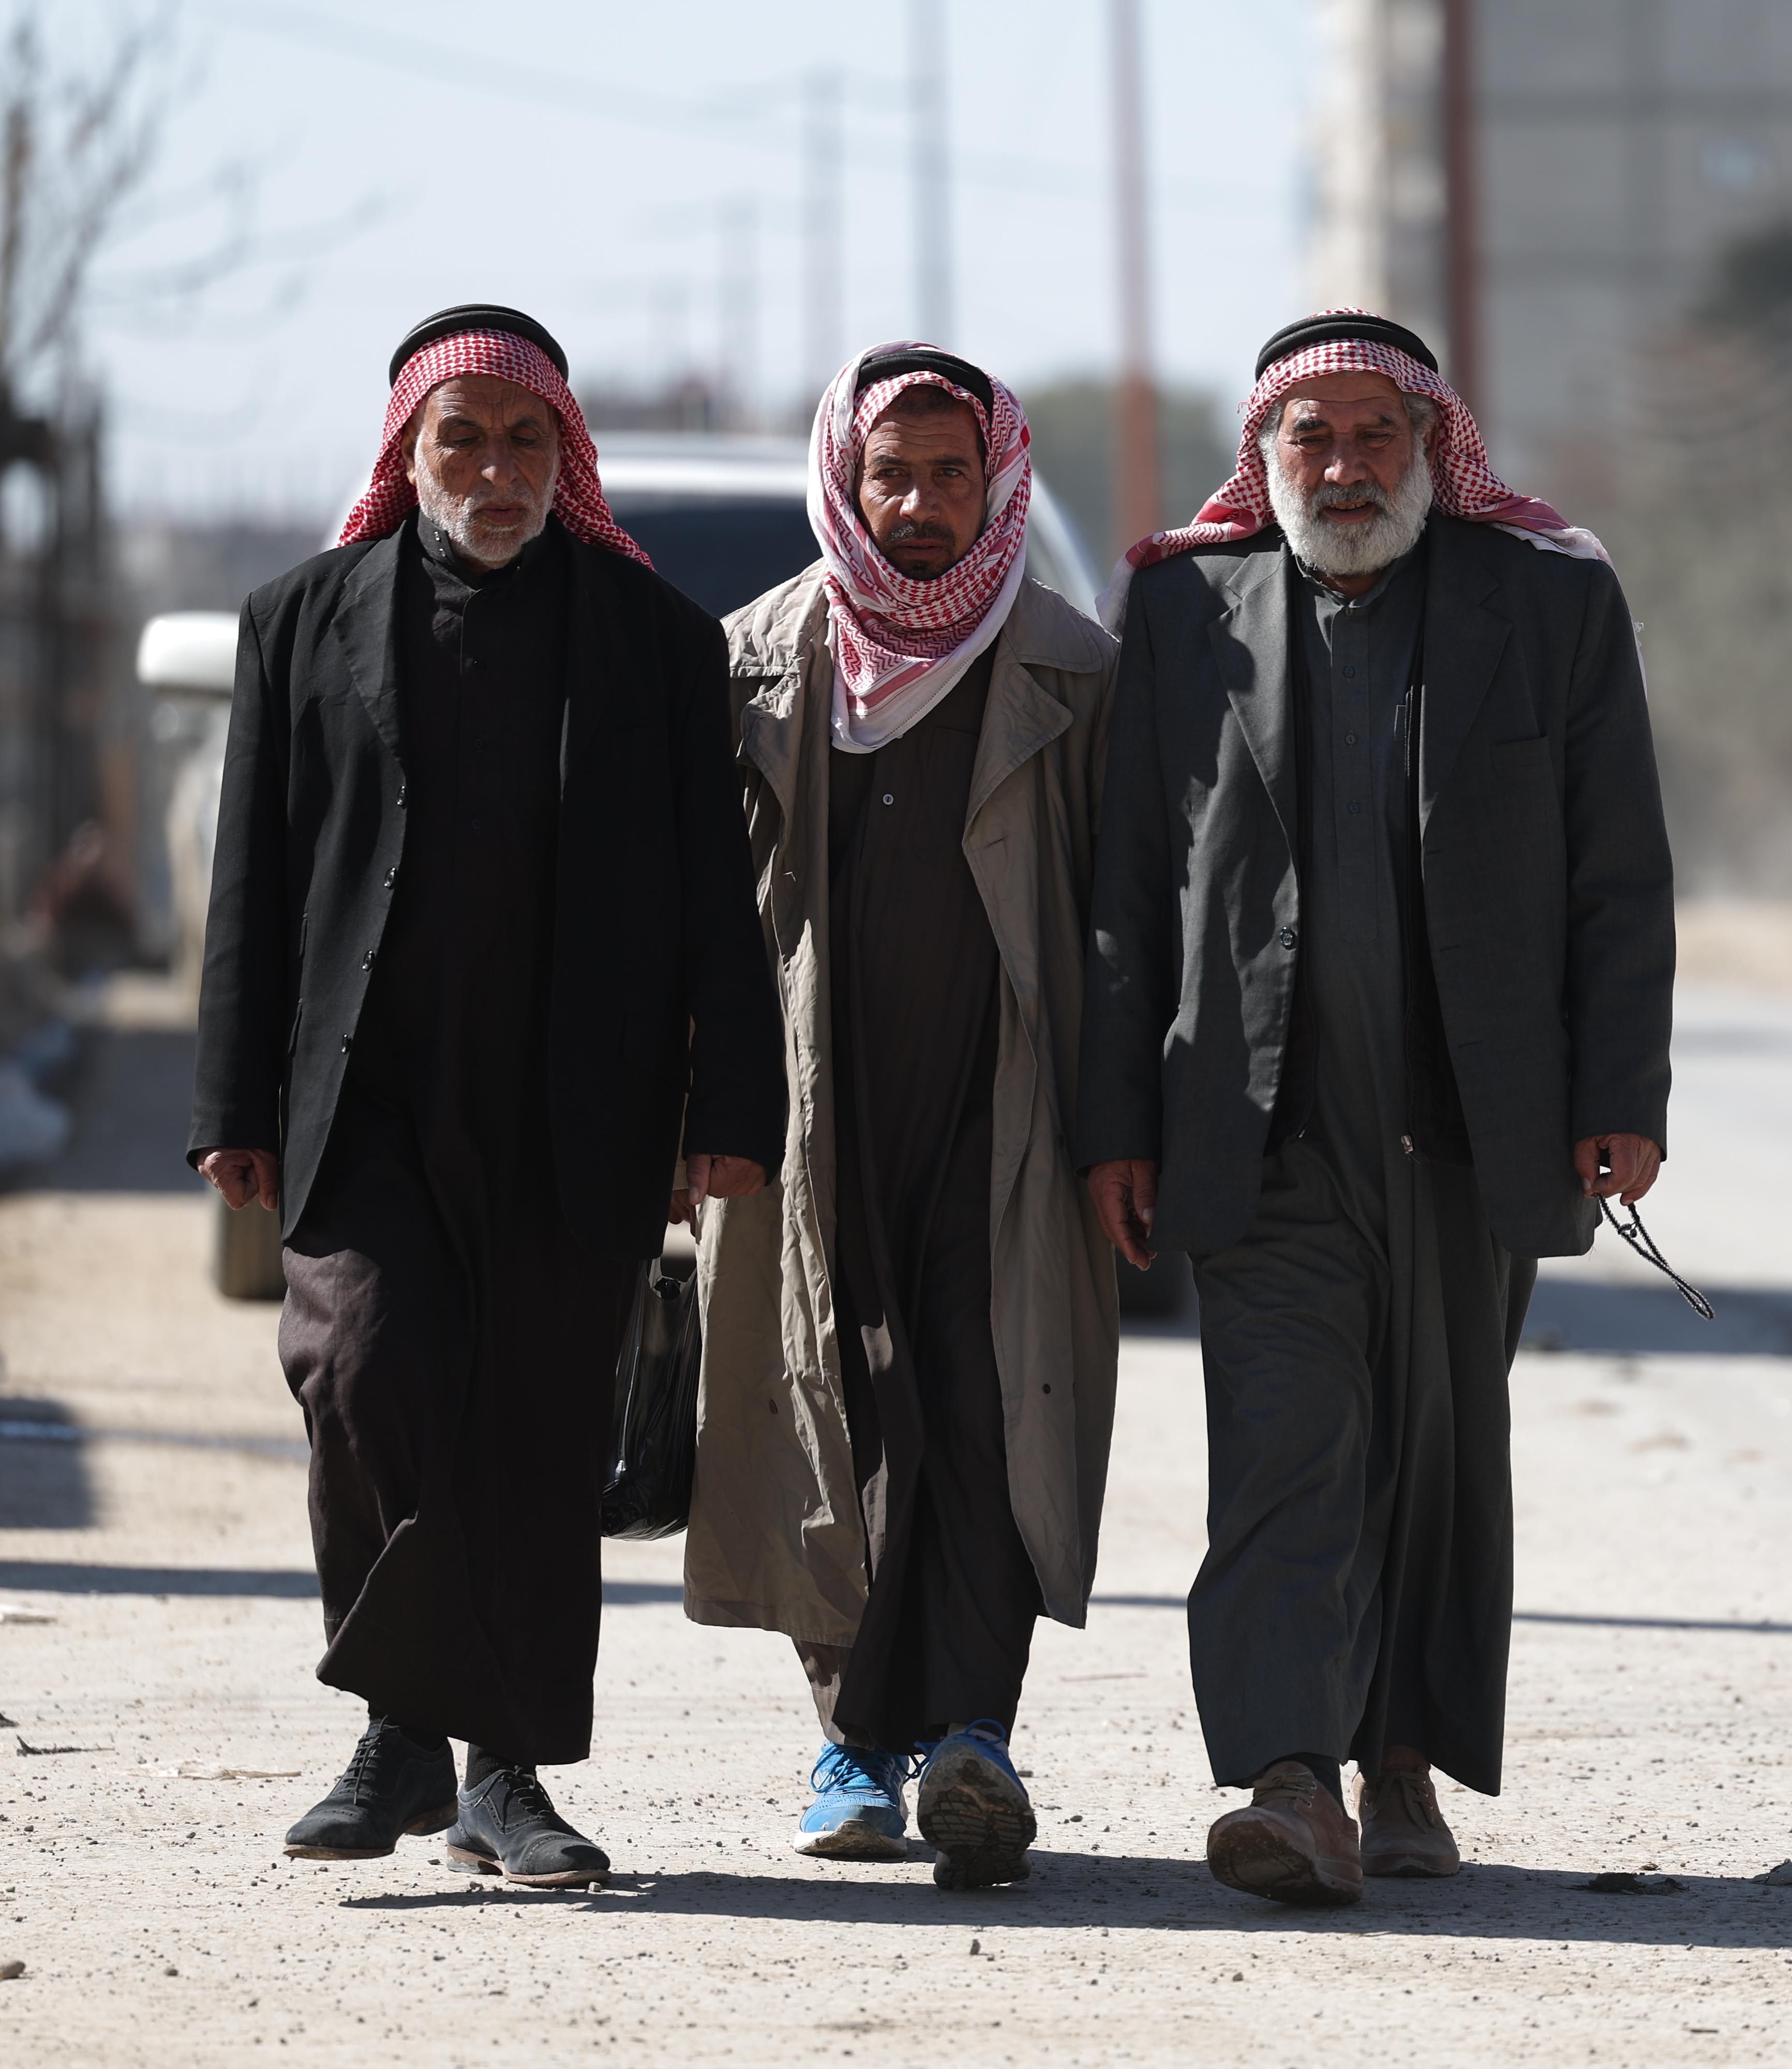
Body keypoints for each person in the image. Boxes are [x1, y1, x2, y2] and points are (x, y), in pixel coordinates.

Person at [1077, 309, 1676, 1907]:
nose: (1342, 468)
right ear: (1262, 456)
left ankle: (1399, 1754)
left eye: (1373, 437)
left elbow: (1616, 870)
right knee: (1284, 1443)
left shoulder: (1544, 606)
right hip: (1254, 1119)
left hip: (1469, 1116)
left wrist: (1619, 1090)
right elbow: (1126, 891)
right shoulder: (1183, 610)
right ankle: (1289, 1773)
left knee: (1430, 1442)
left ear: (1428, 450)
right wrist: (1110, 1119)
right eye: (1310, 439)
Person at [189, 305, 785, 1890]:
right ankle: (397, 1721)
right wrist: (227, 1101)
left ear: (563, 458)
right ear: (410, 449)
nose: (497, 469)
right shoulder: (299, 619)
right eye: (464, 438)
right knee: (367, 1367)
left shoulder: (650, 640)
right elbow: (249, 884)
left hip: (574, 1100)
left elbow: (713, 895)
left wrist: (727, 1097)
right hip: (363, 1096)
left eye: (527, 441)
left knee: (530, 1425)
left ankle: (499, 1774)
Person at [684, 342, 1119, 1890]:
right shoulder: (755, 663)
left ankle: (972, 1734)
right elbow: (696, 916)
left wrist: (1116, 1125)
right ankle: (852, 1747)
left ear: (995, 479)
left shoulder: (1069, 667)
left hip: (1004, 1112)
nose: (921, 506)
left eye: (951, 475)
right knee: (831, 1402)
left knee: (989, 1403)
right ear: (848, 484)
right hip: (811, 1115)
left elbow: (1122, 921)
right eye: (894, 475)